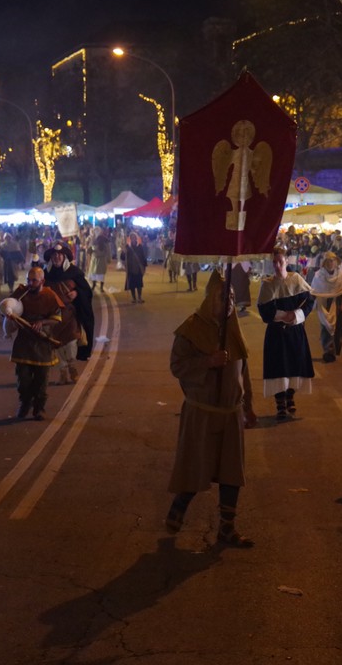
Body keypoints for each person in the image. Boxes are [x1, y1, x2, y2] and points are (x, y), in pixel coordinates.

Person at [165, 271, 255, 546]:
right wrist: (208, 362)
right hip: (202, 412)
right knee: (197, 466)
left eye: (231, 297)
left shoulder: (234, 328)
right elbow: (177, 366)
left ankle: (227, 528)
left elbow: (244, 370)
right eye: (222, 296)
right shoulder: (191, 329)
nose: (228, 302)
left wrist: (249, 406)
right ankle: (179, 506)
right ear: (209, 299)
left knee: (231, 472)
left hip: (231, 413)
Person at [3, 266, 70, 420]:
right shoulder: (21, 293)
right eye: (29, 280)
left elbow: (57, 319)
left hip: (42, 341)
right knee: (23, 379)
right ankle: (25, 404)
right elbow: (8, 308)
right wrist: (9, 315)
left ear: (42, 281)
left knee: (41, 379)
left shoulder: (50, 296)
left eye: (34, 280)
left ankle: (39, 408)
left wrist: (42, 322)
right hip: (24, 342)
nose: (30, 283)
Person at [257, 246, 316, 421]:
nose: (277, 265)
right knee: (278, 367)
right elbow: (264, 311)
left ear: (286, 261)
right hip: (276, 333)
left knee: (294, 365)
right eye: (274, 262)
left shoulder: (296, 279)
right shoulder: (267, 284)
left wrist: (296, 315)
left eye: (280, 261)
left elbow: (309, 301)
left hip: (295, 331)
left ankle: (290, 396)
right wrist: (284, 316)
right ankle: (280, 404)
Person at [43, 242, 95, 362]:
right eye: (54, 255)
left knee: (72, 336)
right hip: (52, 314)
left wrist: (77, 293)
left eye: (59, 255)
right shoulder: (45, 274)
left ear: (64, 257)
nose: (57, 257)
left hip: (70, 313)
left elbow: (86, 291)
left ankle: (74, 358)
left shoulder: (74, 272)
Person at [308, 252, 342, 364]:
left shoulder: (340, 274)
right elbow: (313, 291)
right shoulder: (319, 275)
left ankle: (333, 351)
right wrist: (307, 306)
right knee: (326, 327)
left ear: (336, 262)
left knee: (337, 328)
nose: (330, 263)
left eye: (332, 261)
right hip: (323, 304)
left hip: (337, 304)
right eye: (328, 261)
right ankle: (328, 351)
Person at [123, 233, 147, 303]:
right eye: (132, 238)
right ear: (130, 239)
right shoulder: (127, 247)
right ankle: (134, 298)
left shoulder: (139, 246)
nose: (133, 239)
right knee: (132, 284)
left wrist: (144, 266)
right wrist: (124, 252)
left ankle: (139, 297)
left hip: (138, 268)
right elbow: (123, 257)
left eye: (134, 237)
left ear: (136, 238)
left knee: (139, 284)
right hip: (130, 268)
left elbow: (143, 256)